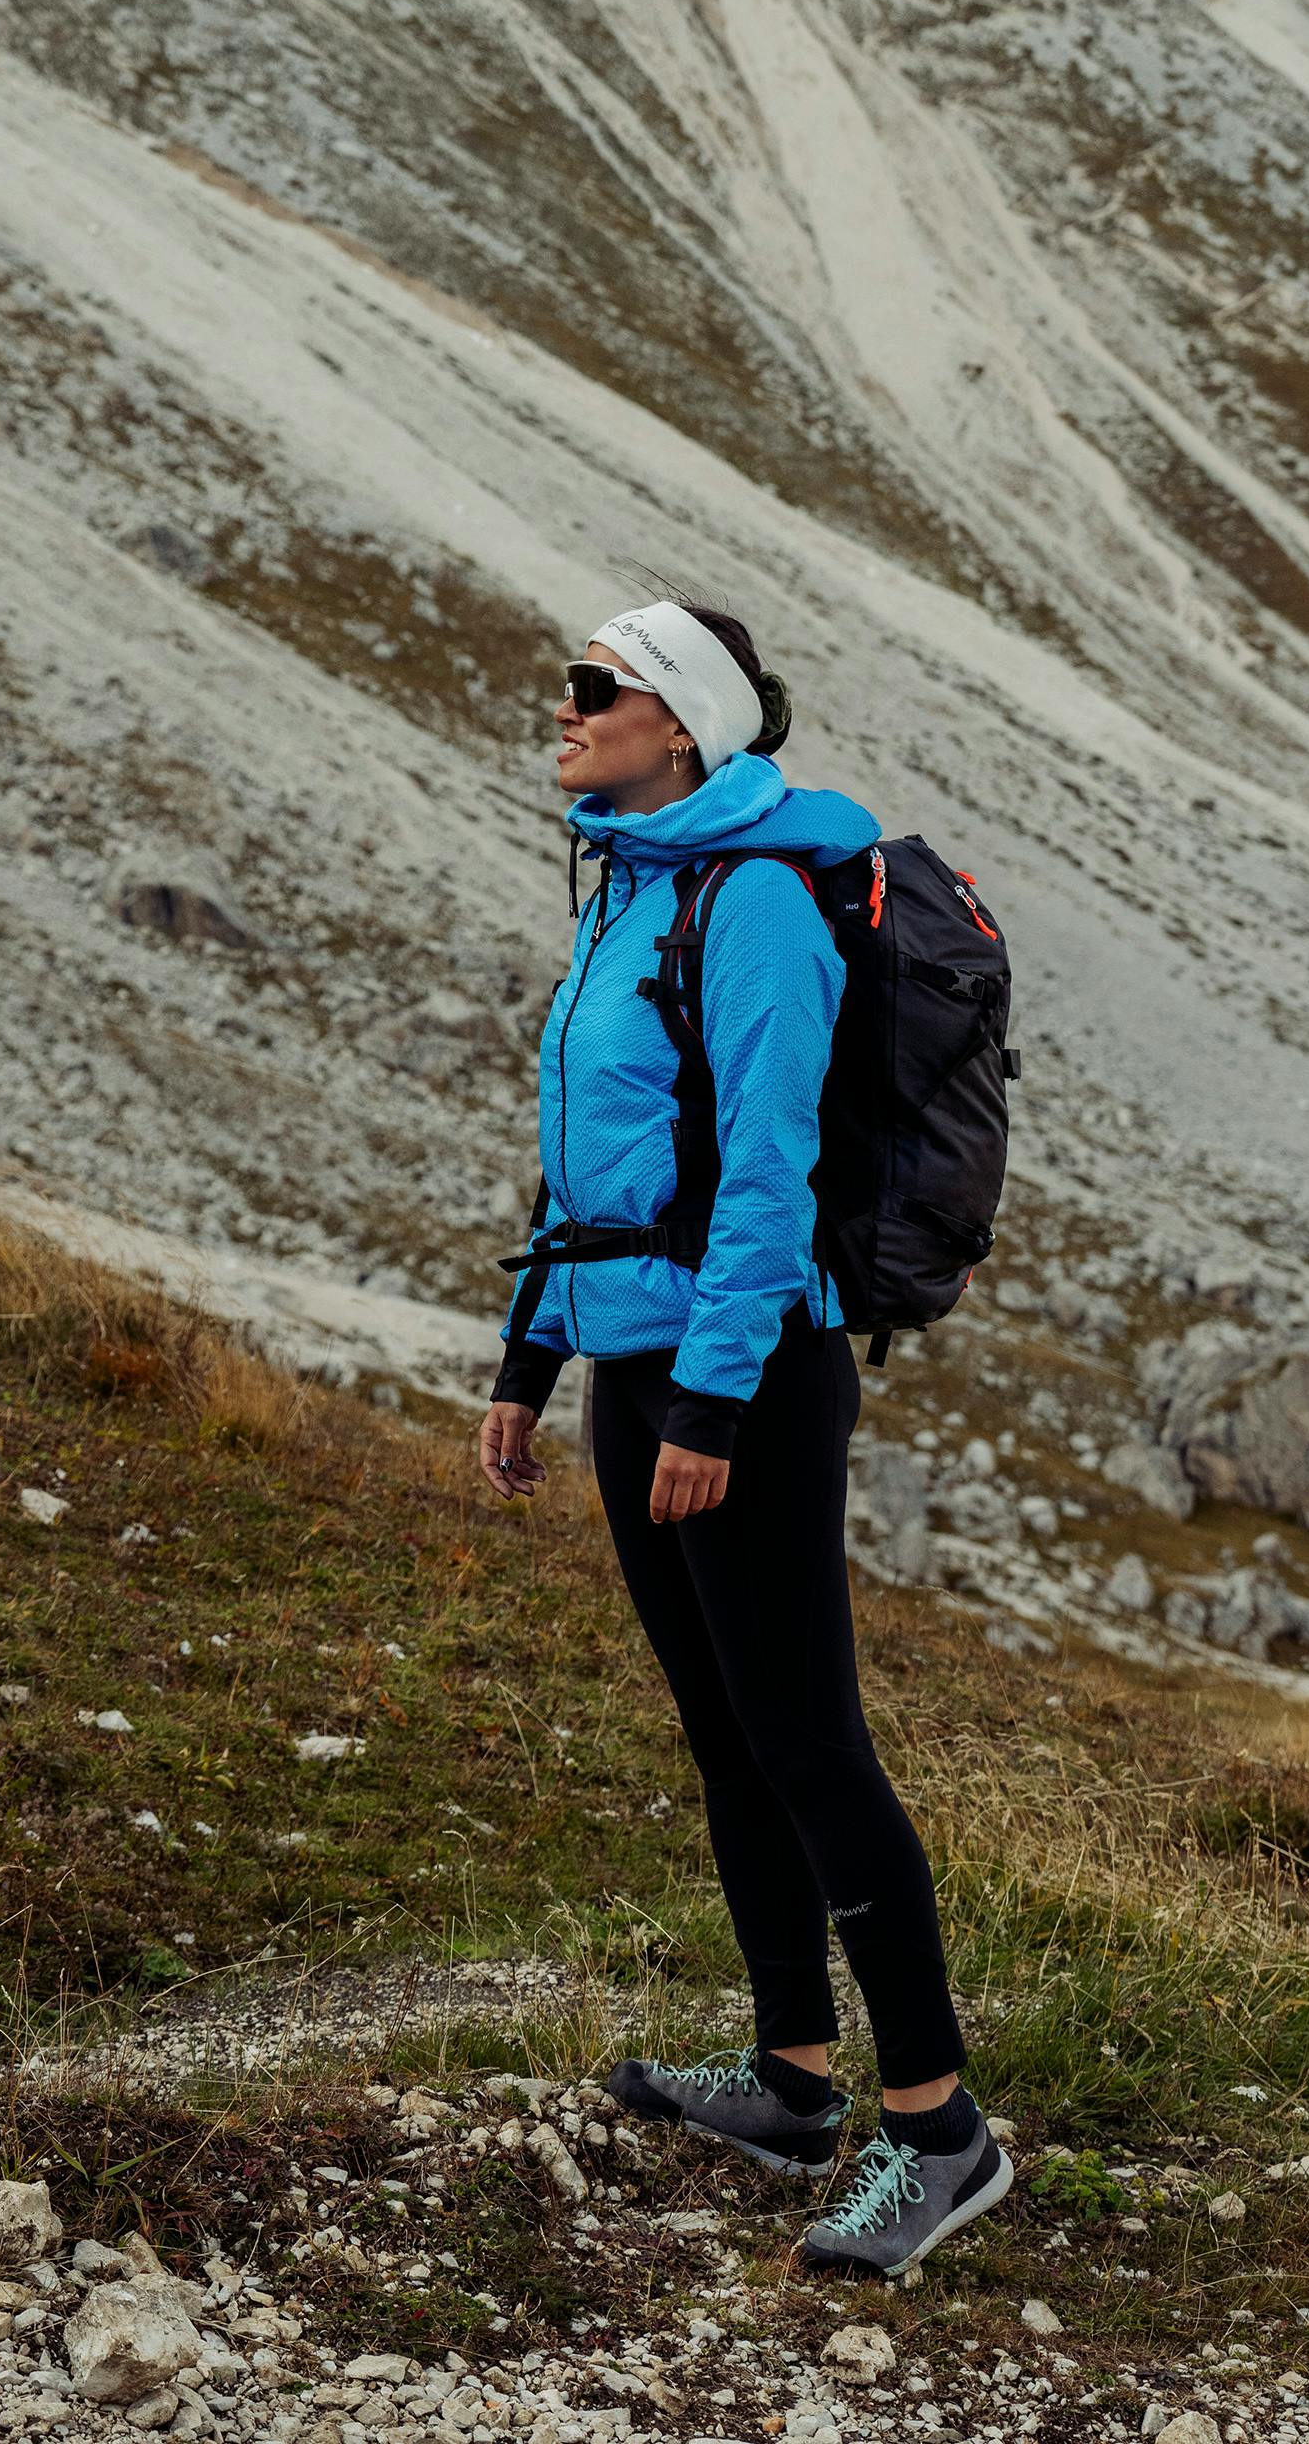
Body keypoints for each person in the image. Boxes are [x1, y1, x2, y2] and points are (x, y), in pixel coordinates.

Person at [475, 599, 1012, 2279]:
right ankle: (789, 2082)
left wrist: (710, 1401)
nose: (563, 712)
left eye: (596, 690)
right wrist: (528, 1362)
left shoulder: (762, 903)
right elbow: (600, 1163)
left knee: (809, 1742)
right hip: (641, 1363)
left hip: (750, 1374)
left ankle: (938, 2132)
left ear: (686, 723)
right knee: (726, 1734)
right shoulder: (634, 885)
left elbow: (767, 1174)